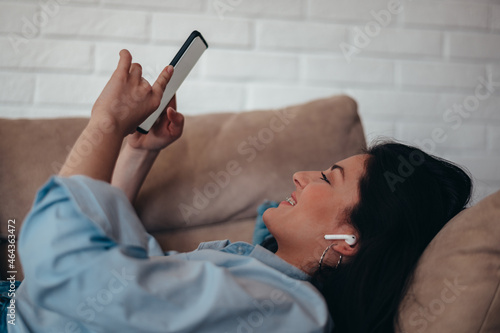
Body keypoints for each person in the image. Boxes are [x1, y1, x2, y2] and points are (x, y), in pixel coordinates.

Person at [2, 50, 472, 333]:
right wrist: (138, 152)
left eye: (327, 178)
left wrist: (104, 124)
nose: (300, 178)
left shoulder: (284, 310)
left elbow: (66, 266)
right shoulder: (258, 270)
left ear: (348, 240)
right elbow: (121, 272)